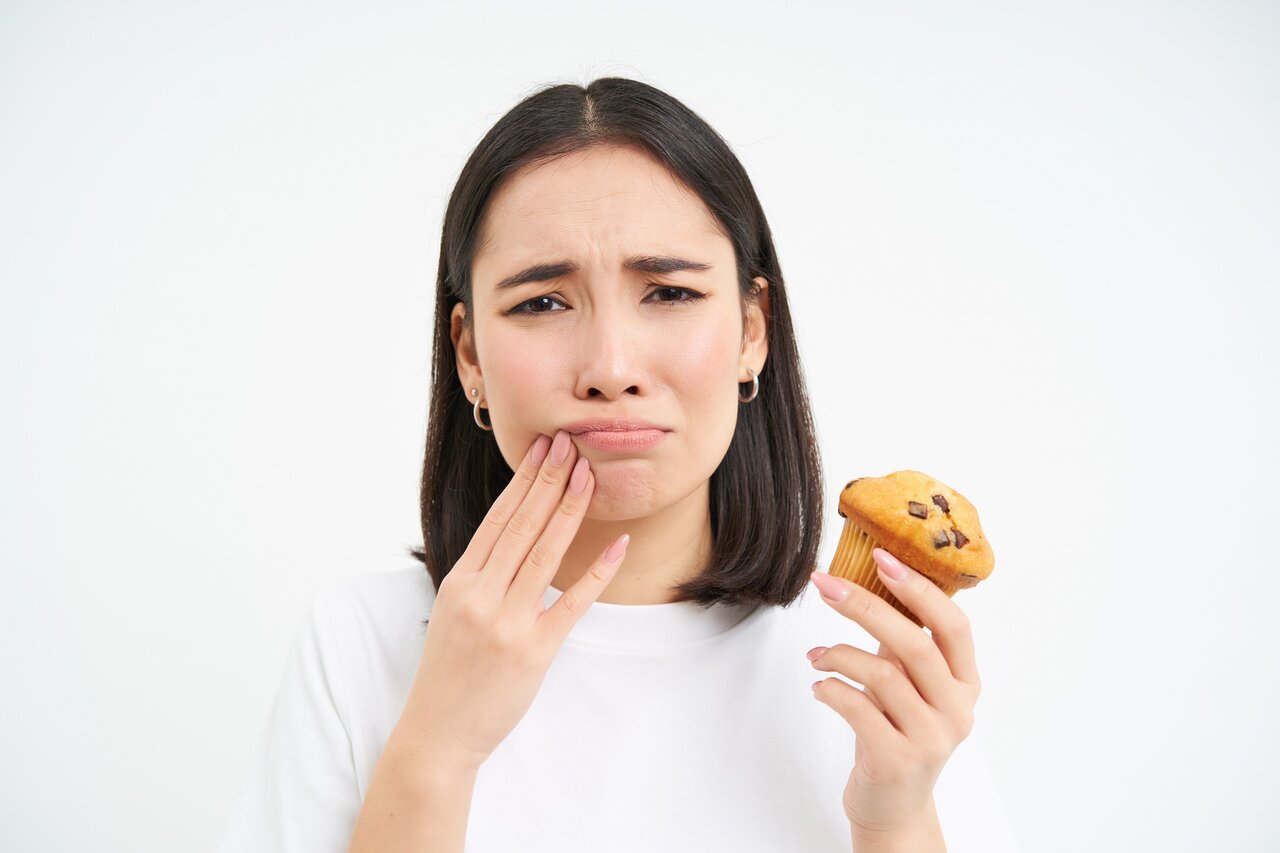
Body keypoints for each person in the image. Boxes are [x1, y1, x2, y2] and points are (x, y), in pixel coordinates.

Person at [216, 77, 1018, 852]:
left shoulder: (881, 677)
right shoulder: (361, 646)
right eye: (541, 302)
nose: (609, 365)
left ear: (751, 331)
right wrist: (435, 751)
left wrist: (893, 824)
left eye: (667, 292)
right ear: (469, 357)